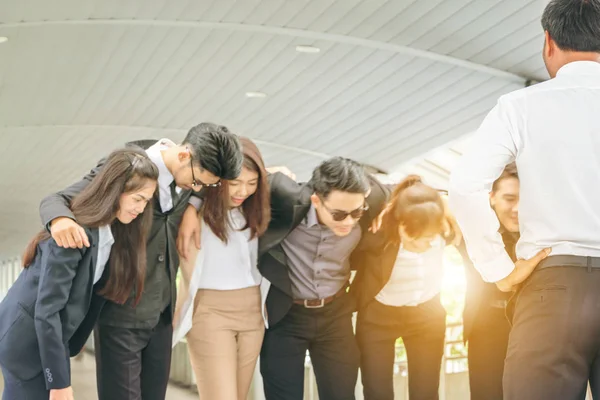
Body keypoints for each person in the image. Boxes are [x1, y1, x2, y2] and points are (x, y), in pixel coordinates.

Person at [448, 1, 600, 398]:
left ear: (548, 42)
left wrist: (499, 269)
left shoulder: (520, 106)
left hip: (552, 285)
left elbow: (465, 186)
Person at [39, 123, 243, 400]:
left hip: (161, 317)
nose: (199, 188)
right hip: (120, 311)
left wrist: (193, 206)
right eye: (198, 182)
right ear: (184, 156)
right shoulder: (127, 165)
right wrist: (59, 219)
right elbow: (57, 199)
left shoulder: (192, 173)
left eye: (206, 185)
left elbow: (199, 184)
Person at [178, 156, 388, 400]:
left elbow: (400, 190)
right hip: (286, 315)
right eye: (339, 214)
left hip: (336, 316)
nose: (350, 221)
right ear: (316, 200)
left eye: (357, 212)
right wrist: (193, 206)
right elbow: (223, 175)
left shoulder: (371, 201)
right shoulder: (284, 197)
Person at [0, 148, 158, 400]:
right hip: (27, 342)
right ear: (115, 190)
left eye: (147, 201)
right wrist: (59, 383)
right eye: (138, 199)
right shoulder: (73, 234)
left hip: (47, 340)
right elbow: (48, 311)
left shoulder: (112, 232)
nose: (142, 208)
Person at [172, 137, 271, 399]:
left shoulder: (256, 210)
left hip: (253, 311)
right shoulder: (191, 210)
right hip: (210, 312)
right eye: (235, 183)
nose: (242, 192)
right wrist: (193, 205)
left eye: (251, 184)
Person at [352, 176, 458, 400]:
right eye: (417, 239)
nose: (425, 245)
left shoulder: (445, 225)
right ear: (401, 226)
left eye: (430, 239)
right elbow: (363, 178)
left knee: (426, 392)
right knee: (377, 392)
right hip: (378, 318)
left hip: (426, 315)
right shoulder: (377, 233)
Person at [460, 163, 518, 400]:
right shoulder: (473, 229)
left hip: (528, 326)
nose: (517, 208)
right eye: (509, 198)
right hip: (484, 327)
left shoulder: (541, 232)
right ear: (491, 197)